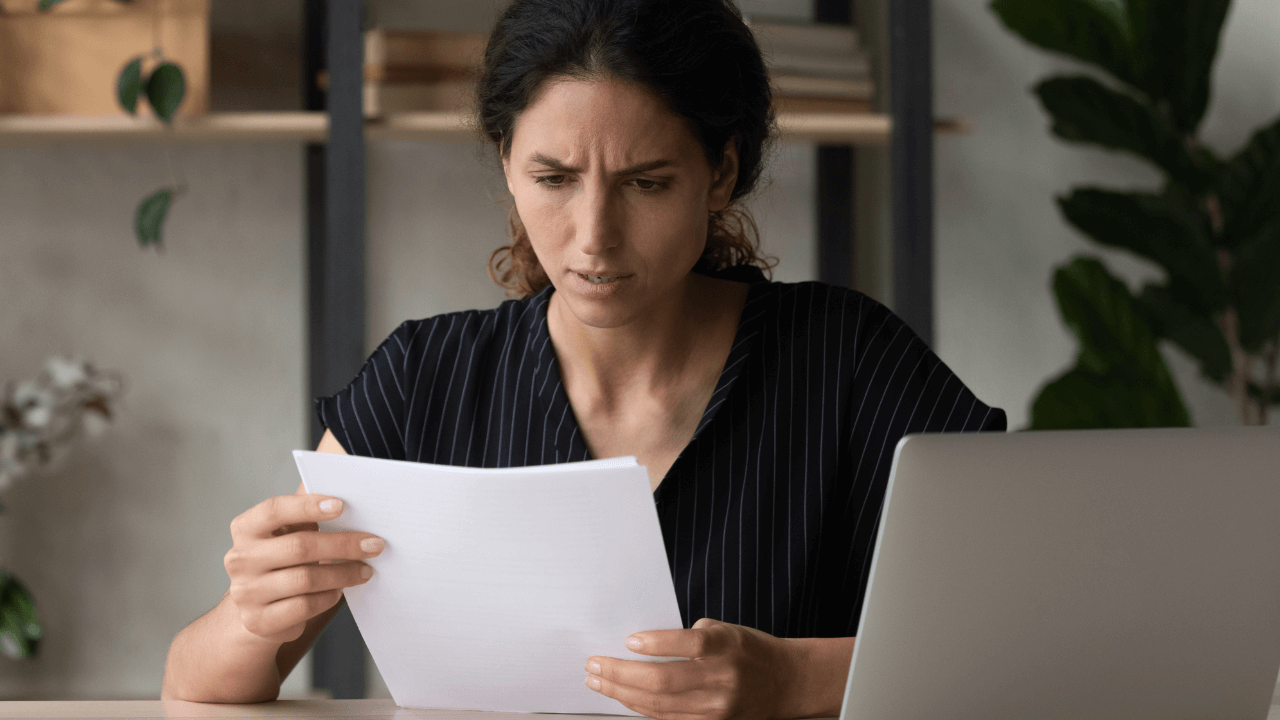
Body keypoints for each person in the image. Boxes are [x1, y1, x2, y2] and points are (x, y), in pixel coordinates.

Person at [161, 0, 1006, 716]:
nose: (594, 238)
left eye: (646, 183)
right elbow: (194, 690)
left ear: (722, 173)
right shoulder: (428, 379)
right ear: (507, 166)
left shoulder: (847, 358)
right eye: (554, 179)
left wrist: (794, 678)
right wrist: (252, 612)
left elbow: (1021, 629)